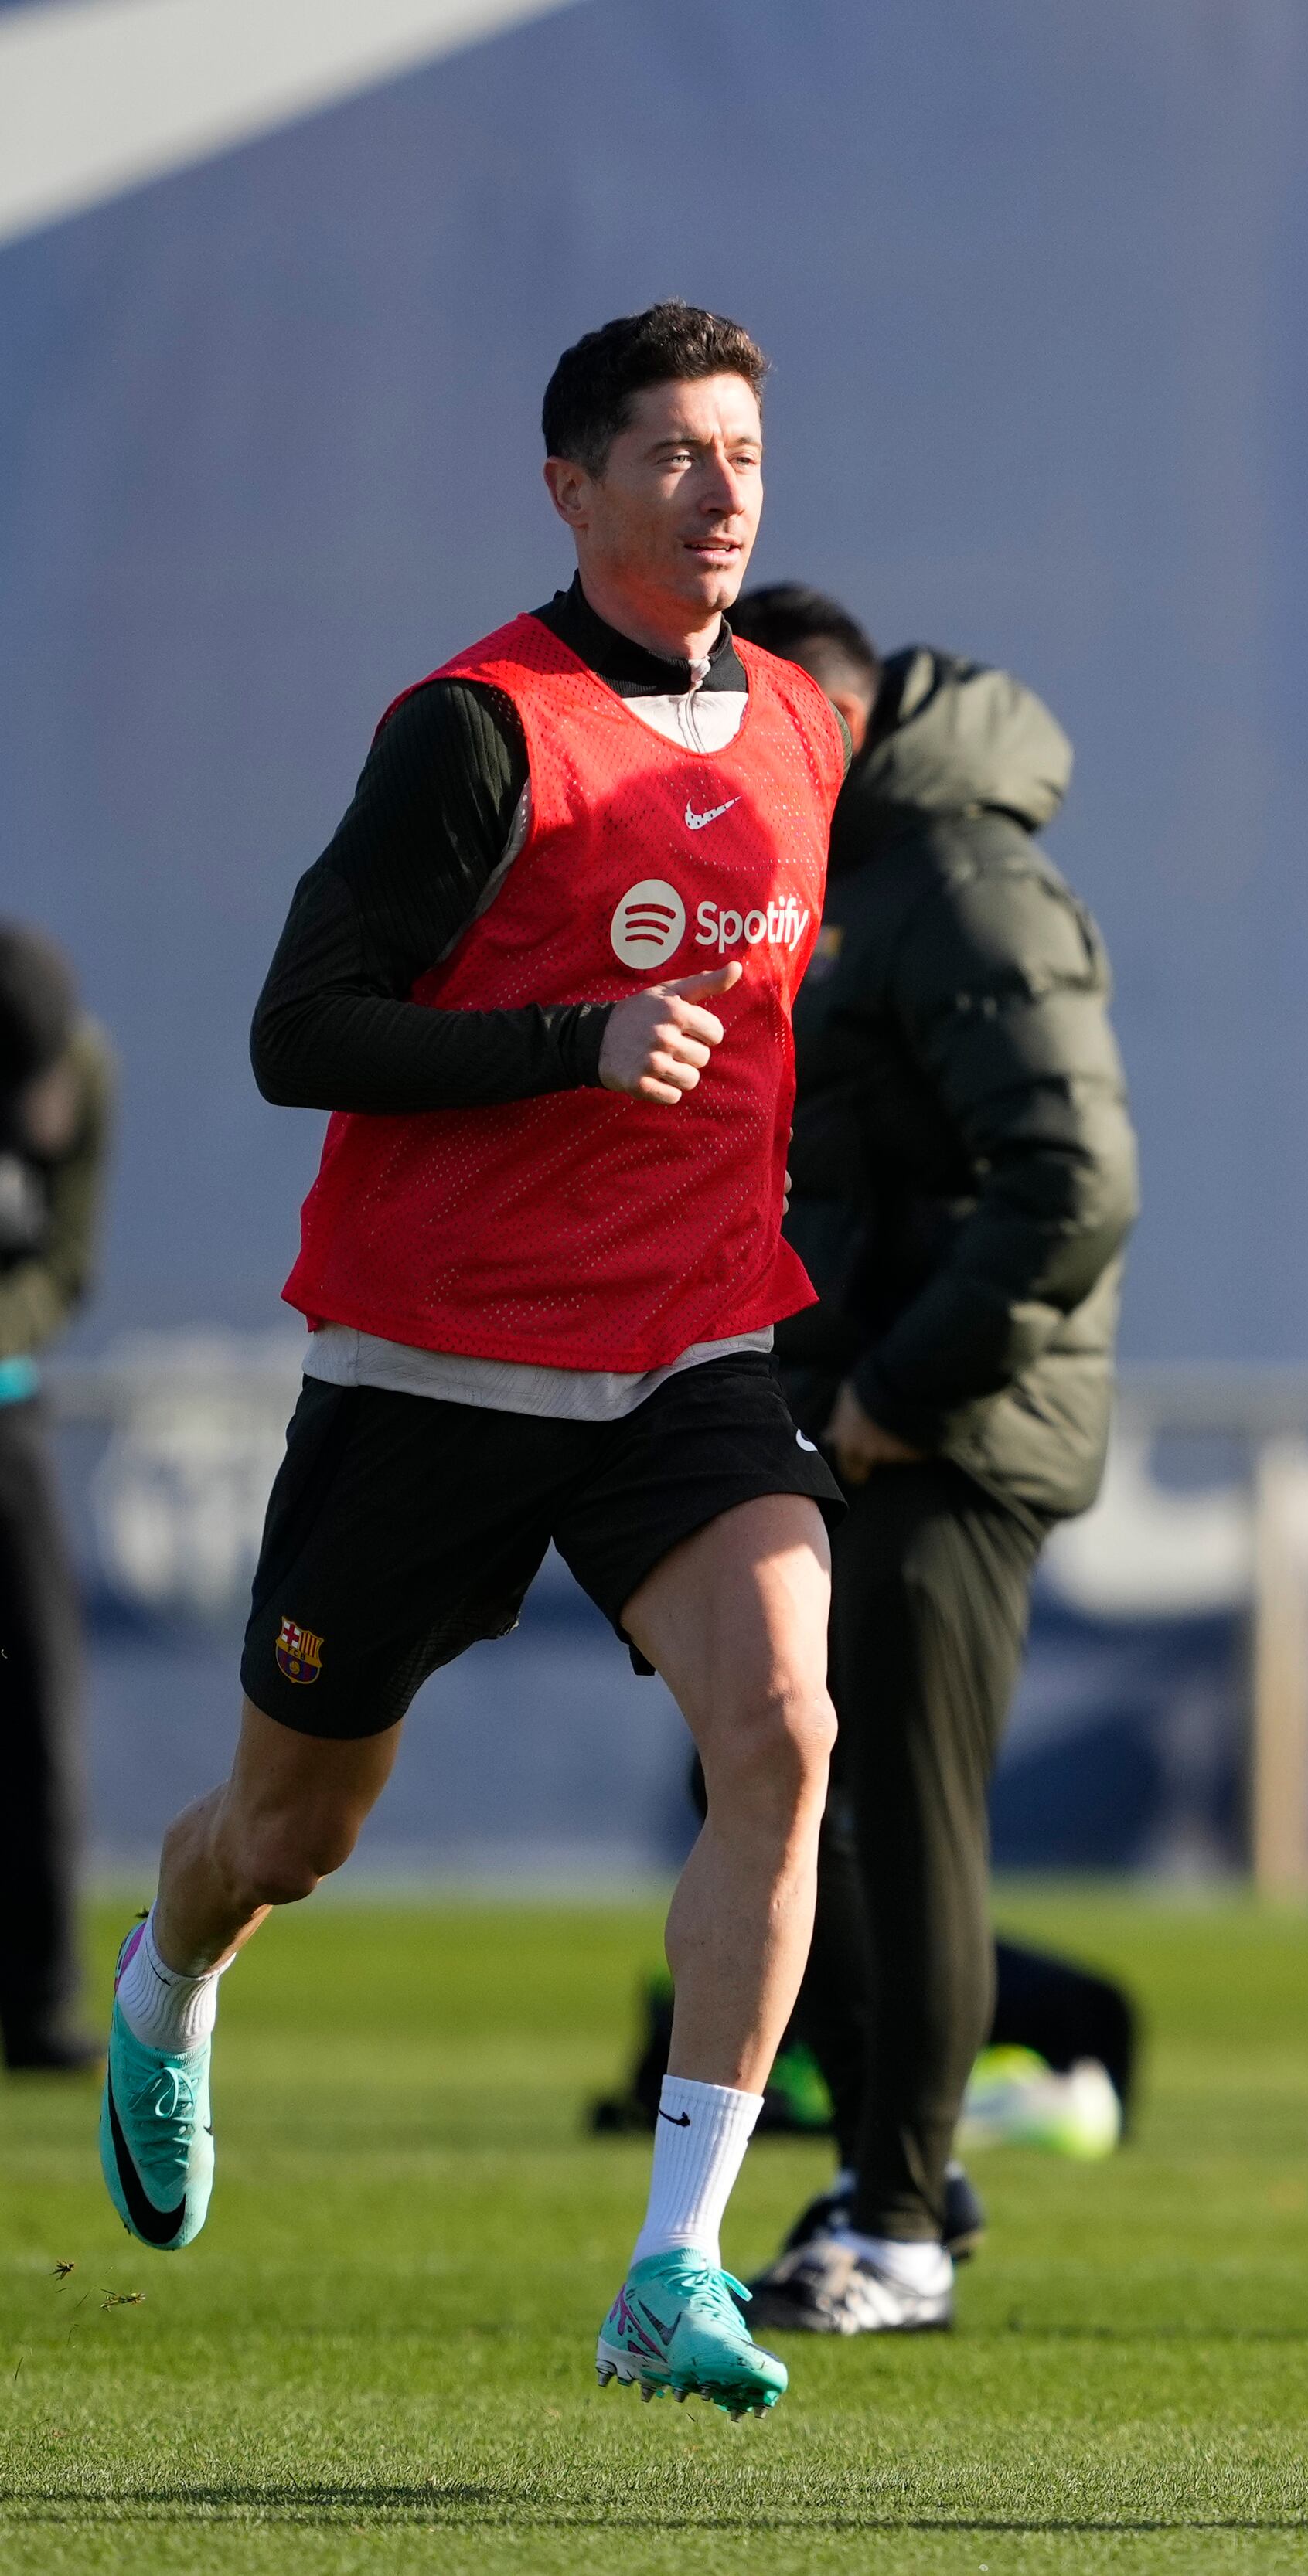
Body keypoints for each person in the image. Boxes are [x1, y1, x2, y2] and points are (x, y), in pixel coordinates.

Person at [100, 303, 847, 2416]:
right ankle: (168, 1976)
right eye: (679, 456)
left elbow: (801, 1012)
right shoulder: (476, 730)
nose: (723, 492)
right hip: (436, 1364)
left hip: (692, 1344)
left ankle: (674, 2260)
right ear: (572, 486)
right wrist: (569, 1045)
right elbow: (295, 1032)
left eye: (748, 456)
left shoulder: (802, 722)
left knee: (787, 1721)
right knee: (287, 1832)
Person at [712, 583, 1138, 2338]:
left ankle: (898, 2225)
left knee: (902, 1818)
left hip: (947, 1429)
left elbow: (1075, 1179)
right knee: (796, 1798)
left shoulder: (956, 876)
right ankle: (908, 2166)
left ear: (845, 718)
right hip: (857, 1407)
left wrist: (898, 1382)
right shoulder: (863, 877)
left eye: (766, 731)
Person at [0, 924, 114, 2075]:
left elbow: (63, 1261)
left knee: (37, 1707)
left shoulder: (83, 1068)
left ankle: (34, 2003)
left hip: (6, 1408)